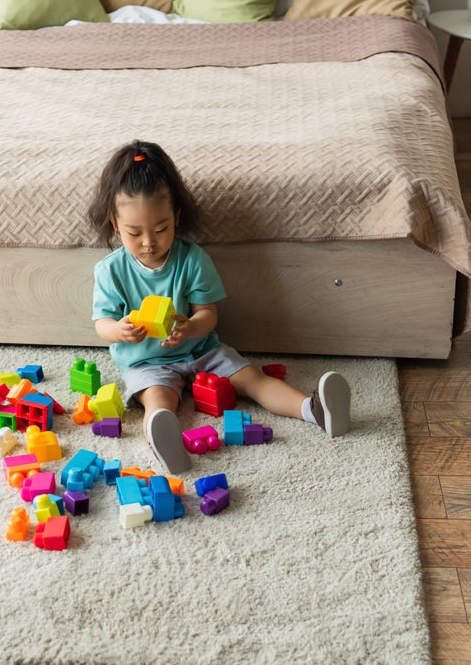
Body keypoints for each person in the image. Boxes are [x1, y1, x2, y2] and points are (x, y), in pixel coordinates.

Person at [89, 140, 350, 474]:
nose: (149, 243)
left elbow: (208, 314)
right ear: (114, 223)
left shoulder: (193, 259)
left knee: (251, 378)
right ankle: (165, 438)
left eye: (161, 229)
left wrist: (190, 327)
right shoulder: (110, 270)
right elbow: (102, 323)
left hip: (201, 349)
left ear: (176, 217)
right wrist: (120, 330)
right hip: (147, 361)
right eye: (134, 232)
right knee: (158, 398)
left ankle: (314, 410)